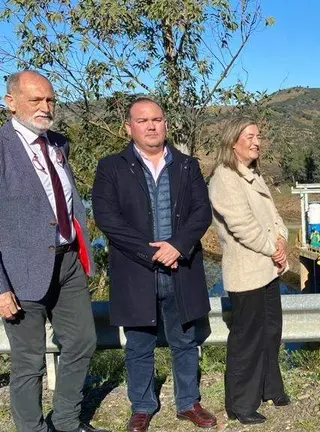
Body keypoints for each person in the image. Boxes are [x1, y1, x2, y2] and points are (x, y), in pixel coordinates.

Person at [91, 98, 216, 432]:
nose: (151, 126)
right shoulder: (111, 167)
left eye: (157, 119)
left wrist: (177, 246)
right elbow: (107, 218)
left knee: (185, 341)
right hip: (136, 272)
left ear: (165, 124)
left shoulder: (187, 165)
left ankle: (188, 403)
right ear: (128, 127)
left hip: (182, 269)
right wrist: (152, 252)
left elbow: (202, 212)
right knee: (139, 345)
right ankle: (143, 406)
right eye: (142, 120)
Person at [0, 70, 104, 432]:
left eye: (50, 100)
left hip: (68, 262)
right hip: (20, 272)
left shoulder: (58, 143)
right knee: (29, 362)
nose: (46, 107)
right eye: (36, 100)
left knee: (82, 342)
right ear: (10, 102)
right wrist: (0, 287)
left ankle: (65, 421)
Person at [208, 118, 291, 425]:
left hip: (268, 267)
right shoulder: (224, 179)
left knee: (271, 330)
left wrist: (281, 240)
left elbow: (274, 216)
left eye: (259, 136)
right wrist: (273, 247)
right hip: (247, 271)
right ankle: (241, 404)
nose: (257, 142)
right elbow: (243, 227)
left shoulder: (253, 175)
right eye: (251, 137)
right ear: (233, 143)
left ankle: (271, 387)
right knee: (247, 337)